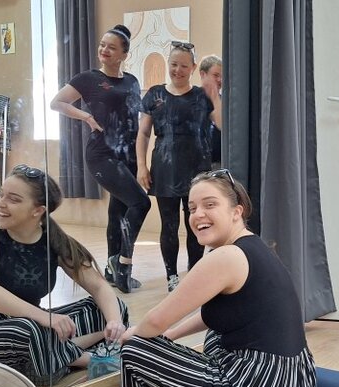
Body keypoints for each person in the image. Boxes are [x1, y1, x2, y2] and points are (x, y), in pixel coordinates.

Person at [119, 169, 316, 387]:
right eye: (192, 208)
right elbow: (223, 313)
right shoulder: (254, 245)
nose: (198, 214)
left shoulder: (226, 257)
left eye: (210, 205)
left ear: (237, 211)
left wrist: (134, 334)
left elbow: (156, 321)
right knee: (215, 335)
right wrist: (171, 335)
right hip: (297, 386)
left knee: (135, 347)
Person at [0, 165, 128, 385]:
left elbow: (98, 286)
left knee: (114, 307)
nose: (0, 203)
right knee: (33, 330)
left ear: (38, 210)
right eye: (2, 194)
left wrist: (115, 322)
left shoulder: (55, 240)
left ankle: (54, 355)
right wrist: (44, 318)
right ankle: (90, 360)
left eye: (13, 199)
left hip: (33, 325)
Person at [50, 24, 150, 294]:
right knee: (140, 203)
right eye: (102, 45)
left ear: (124, 55)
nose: (104, 50)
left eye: (111, 47)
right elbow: (57, 103)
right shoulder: (88, 78)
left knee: (118, 212)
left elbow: (136, 117)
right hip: (102, 154)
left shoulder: (132, 81)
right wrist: (85, 116)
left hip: (127, 155)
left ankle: (111, 269)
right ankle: (123, 265)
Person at [137, 42, 223, 293]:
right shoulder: (154, 95)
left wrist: (215, 97)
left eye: (184, 66)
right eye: (174, 64)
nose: (178, 70)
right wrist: (142, 166)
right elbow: (143, 134)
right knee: (169, 224)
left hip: (198, 169)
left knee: (197, 223)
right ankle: (171, 276)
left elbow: (222, 125)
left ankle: (195, 272)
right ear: (168, 63)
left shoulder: (202, 96)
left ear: (193, 68)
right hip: (165, 168)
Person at [199, 54, 223, 169]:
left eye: (222, 76)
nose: (220, 80)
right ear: (203, 74)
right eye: (216, 75)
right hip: (196, 163)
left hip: (217, 164)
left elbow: (221, 124)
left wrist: (215, 98)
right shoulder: (193, 98)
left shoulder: (222, 101)